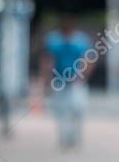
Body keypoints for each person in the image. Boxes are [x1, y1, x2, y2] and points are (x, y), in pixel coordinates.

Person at [39, 14, 93, 150]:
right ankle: (64, 137)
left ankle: (74, 134)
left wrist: (82, 76)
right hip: (59, 80)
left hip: (76, 82)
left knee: (77, 109)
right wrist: (46, 78)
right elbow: (47, 60)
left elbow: (88, 59)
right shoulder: (53, 40)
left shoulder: (81, 40)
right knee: (60, 111)